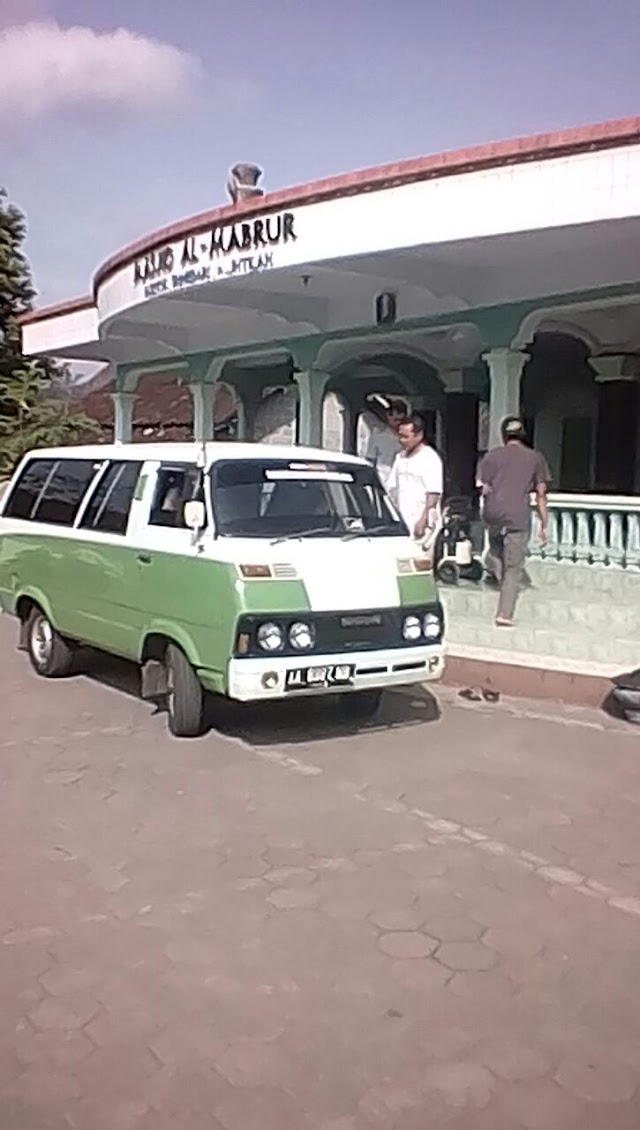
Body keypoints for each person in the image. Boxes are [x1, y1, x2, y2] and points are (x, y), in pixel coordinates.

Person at [478, 417, 550, 627]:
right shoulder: (535, 458)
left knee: (495, 552)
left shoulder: (491, 457)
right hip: (517, 516)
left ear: (503, 435)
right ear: (523, 435)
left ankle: (498, 576)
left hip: (493, 514)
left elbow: (484, 489)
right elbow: (541, 494)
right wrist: (544, 523)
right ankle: (505, 612)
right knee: (513, 567)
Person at [386, 413, 443, 553]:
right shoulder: (400, 457)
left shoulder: (429, 458)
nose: (401, 440)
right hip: (401, 520)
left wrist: (423, 520)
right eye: (400, 435)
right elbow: (391, 487)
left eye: (405, 436)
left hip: (420, 521)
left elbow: (433, 492)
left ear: (418, 435)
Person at [358, 397, 406, 481]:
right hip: (383, 479)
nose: (397, 421)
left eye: (400, 413)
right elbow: (370, 459)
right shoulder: (378, 435)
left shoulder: (411, 437)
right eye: (391, 414)